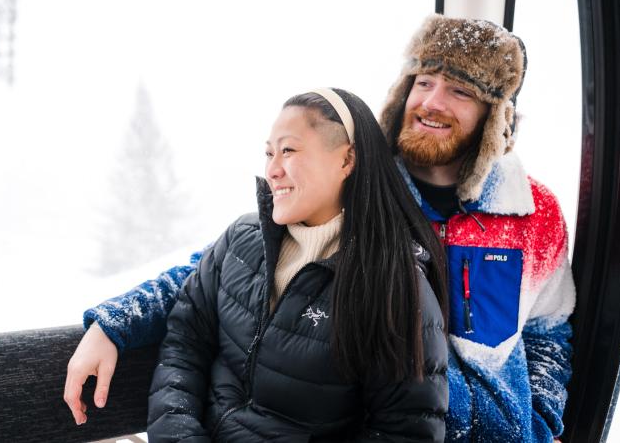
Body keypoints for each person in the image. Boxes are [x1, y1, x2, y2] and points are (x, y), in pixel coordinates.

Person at [64, 15, 576, 443]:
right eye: (423, 82)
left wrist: (540, 421)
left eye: (459, 90)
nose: (432, 102)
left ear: (494, 115)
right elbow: (226, 271)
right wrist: (114, 322)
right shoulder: (361, 193)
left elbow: (549, 331)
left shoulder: (533, 215)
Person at [146, 88, 448, 441]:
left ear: (347, 160)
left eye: (288, 150)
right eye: (269, 153)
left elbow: (405, 433)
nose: (273, 170)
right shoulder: (241, 240)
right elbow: (184, 343)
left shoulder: (392, 287)